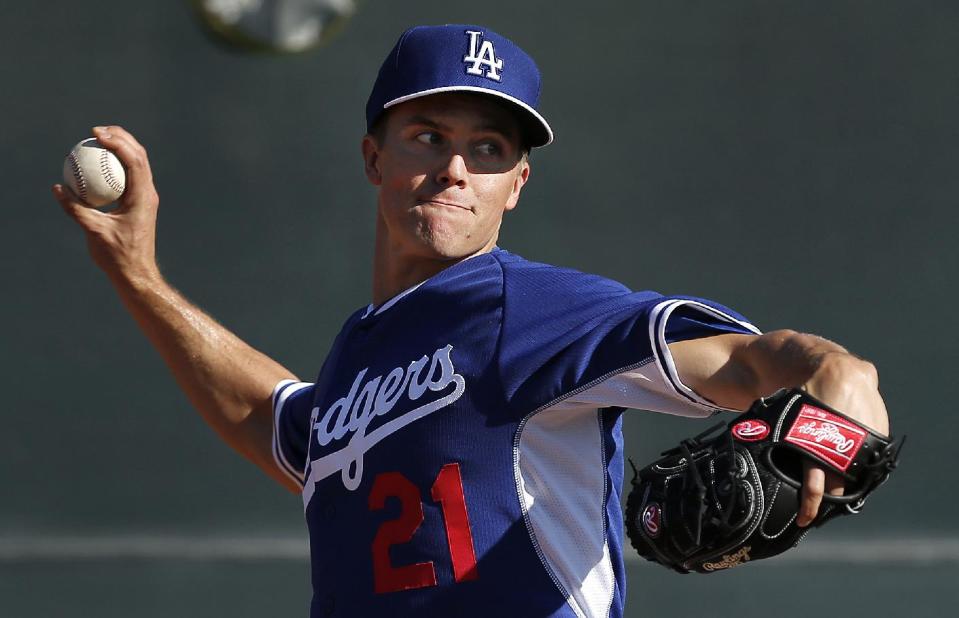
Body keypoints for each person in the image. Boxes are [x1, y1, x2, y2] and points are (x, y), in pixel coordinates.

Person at [53, 24, 890, 618]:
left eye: (488, 149)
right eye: (427, 135)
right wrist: (136, 274)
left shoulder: (529, 307)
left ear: (515, 183)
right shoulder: (363, 353)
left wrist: (833, 381)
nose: (455, 169)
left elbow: (750, 365)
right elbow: (270, 418)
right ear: (374, 157)